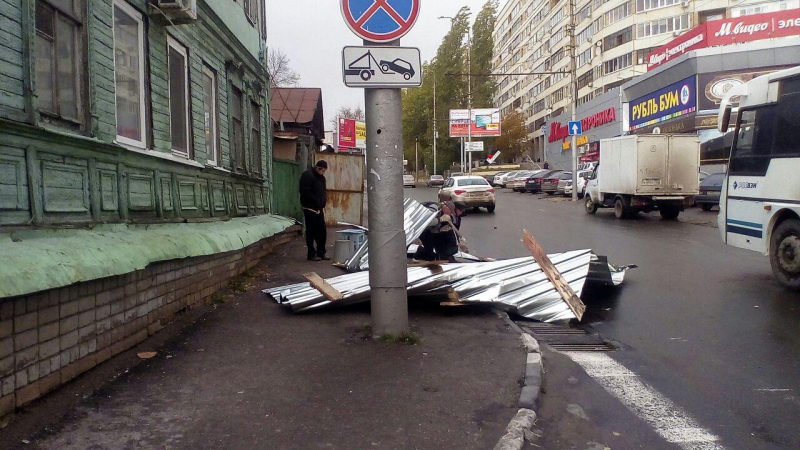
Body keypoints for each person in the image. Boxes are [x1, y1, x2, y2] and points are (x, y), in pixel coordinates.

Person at [299, 160, 329, 261]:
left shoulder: (321, 178)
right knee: (311, 231)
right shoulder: (308, 175)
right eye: (322, 170)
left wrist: (323, 201)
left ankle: (321, 252)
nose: (323, 172)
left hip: (318, 208)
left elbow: (323, 192)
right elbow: (305, 191)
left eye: (324, 171)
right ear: (318, 168)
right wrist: (316, 201)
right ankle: (311, 254)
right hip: (309, 207)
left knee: (321, 231)